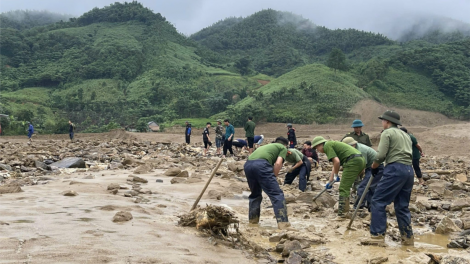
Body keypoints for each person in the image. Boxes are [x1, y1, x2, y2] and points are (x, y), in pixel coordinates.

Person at [363, 110, 414, 247]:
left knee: (378, 200)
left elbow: (380, 156)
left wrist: (374, 167)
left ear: (387, 121)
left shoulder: (387, 133)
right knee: (402, 206)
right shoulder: (405, 134)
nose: (382, 122)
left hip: (395, 168)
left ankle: (377, 236)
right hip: (409, 170)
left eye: (383, 120)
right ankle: (408, 239)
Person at [311, 136, 365, 220]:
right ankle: (354, 207)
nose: (318, 151)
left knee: (343, 188)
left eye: (317, 148)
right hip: (360, 160)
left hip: (352, 161)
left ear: (320, 144)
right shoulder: (332, 144)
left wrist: (336, 175)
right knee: (352, 185)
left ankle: (342, 215)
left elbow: (337, 162)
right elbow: (335, 164)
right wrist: (331, 180)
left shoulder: (327, 145)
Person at [244, 137, 291, 229]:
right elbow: (278, 164)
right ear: (286, 145)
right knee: (277, 194)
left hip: (248, 165)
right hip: (262, 165)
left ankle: (253, 222)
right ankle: (283, 224)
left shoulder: (267, 146)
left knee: (255, 195)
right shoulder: (283, 148)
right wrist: (274, 176)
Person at [342, 137, 384, 210]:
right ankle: (371, 207)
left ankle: (359, 206)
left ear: (353, 145)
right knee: (371, 187)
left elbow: (362, 167)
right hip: (371, 167)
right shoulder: (355, 149)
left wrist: (356, 176)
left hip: (376, 167)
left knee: (363, 187)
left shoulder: (361, 150)